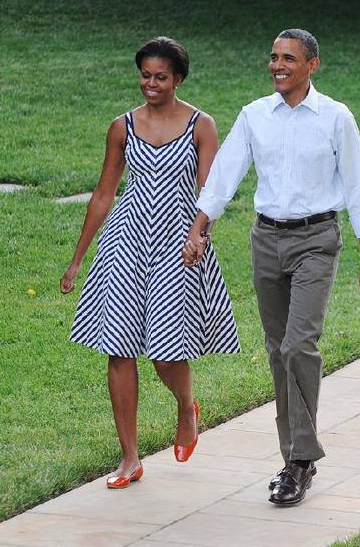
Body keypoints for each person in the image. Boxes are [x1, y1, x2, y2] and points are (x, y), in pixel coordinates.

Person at [183, 28, 360, 506]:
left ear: (312, 65)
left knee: (298, 345)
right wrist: (200, 225)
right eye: (273, 57)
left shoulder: (336, 118)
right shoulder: (255, 116)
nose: (277, 65)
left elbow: (358, 186)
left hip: (317, 239)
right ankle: (293, 455)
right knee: (277, 351)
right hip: (266, 240)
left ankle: (300, 460)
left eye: (288, 58)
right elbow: (225, 172)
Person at [60, 36, 240, 490]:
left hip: (178, 247)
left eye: (161, 76)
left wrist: (201, 236)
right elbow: (104, 194)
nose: (151, 84)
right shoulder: (122, 127)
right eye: (145, 75)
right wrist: (78, 259)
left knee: (165, 353)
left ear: (178, 79)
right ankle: (129, 458)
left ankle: (186, 406)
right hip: (125, 244)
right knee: (119, 350)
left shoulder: (202, 125)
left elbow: (210, 195)